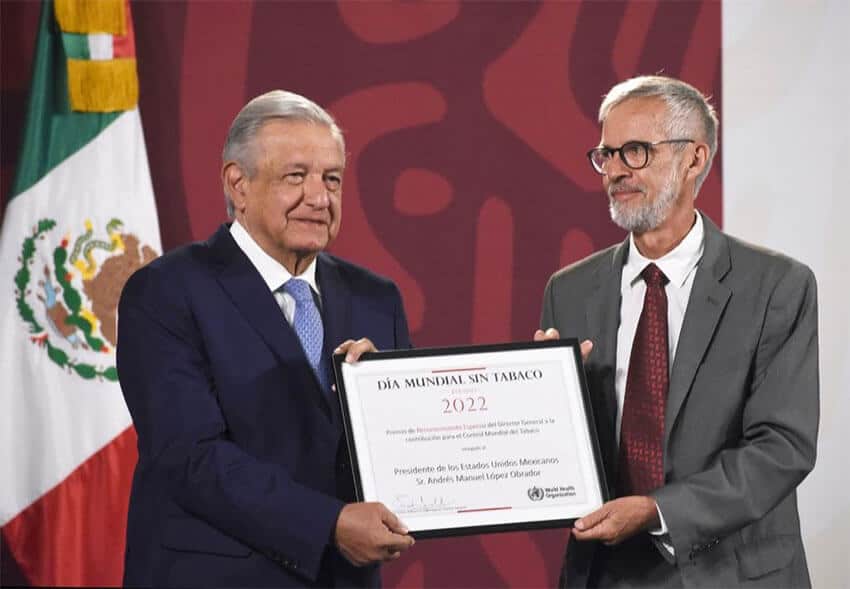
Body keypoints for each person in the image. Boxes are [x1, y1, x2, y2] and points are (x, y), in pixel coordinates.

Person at [117, 90, 415, 587]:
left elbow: (406, 455)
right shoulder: (166, 291)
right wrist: (328, 525)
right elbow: (190, 456)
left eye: (332, 179)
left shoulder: (376, 300)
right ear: (239, 184)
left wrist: (386, 402)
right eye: (295, 176)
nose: (320, 198)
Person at [536, 75, 818, 588]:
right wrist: (542, 397)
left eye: (636, 151)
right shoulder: (568, 290)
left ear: (693, 159)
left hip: (733, 574)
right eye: (606, 154)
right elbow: (556, 456)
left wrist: (656, 511)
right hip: (605, 574)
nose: (615, 171)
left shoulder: (777, 286)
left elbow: (782, 446)